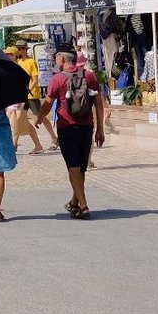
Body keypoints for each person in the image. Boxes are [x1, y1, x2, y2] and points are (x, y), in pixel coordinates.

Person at [46, 49, 105, 218]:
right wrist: (100, 129)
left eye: (56, 57)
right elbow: (99, 104)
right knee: (81, 168)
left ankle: (84, 206)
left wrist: (39, 118)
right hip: (87, 127)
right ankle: (74, 203)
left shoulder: (58, 79)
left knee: (73, 167)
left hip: (66, 127)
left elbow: (48, 103)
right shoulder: (89, 76)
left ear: (62, 59)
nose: (55, 60)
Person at [9, 45, 46, 155]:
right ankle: (34, 145)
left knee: (22, 120)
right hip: (19, 97)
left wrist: (26, 92)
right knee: (21, 121)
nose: (6, 56)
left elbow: (31, 80)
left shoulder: (20, 66)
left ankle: (15, 145)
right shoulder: (16, 65)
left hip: (24, 97)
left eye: (9, 54)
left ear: (14, 55)